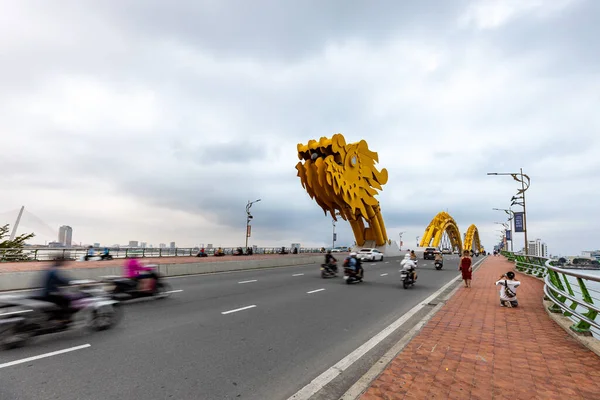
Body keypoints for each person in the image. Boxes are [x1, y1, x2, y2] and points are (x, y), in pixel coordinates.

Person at [41, 257, 73, 322]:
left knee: (62, 298)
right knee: (67, 300)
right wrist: (70, 282)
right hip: (51, 293)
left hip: (47, 292)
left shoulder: (50, 269)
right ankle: (61, 318)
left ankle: (56, 316)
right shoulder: (53, 270)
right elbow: (60, 280)